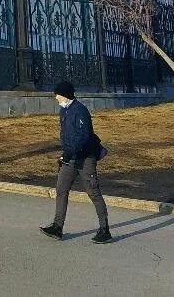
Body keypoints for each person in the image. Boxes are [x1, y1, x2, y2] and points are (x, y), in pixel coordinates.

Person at [40, 81, 112, 244]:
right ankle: (57, 227)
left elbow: (84, 136)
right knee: (61, 189)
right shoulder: (63, 111)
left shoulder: (80, 110)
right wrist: (64, 155)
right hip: (70, 159)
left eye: (57, 94)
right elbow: (67, 136)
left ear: (64, 94)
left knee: (93, 192)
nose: (56, 97)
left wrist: (69, 153)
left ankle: (104, 230)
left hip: (86, 158)